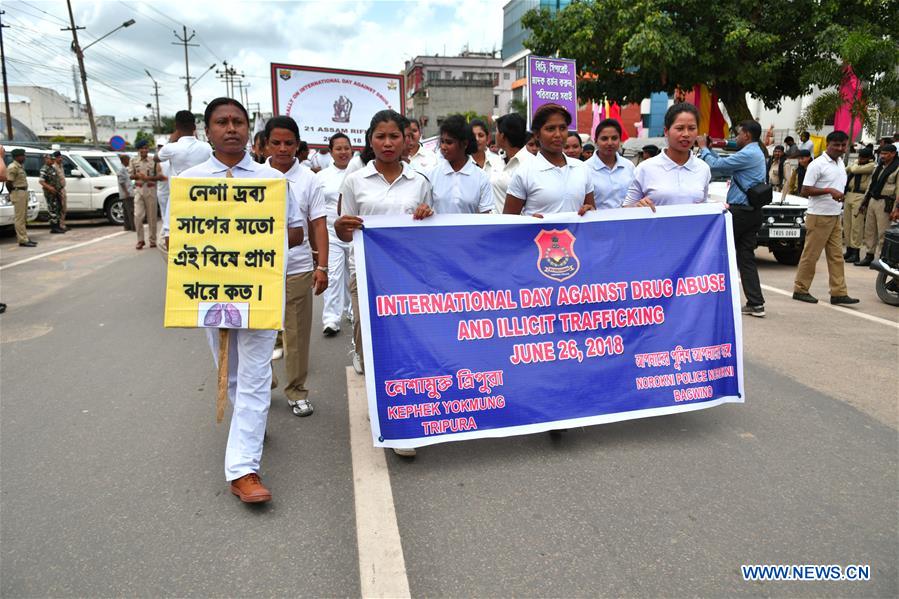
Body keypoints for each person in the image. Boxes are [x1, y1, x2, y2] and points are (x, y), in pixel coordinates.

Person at [180, 97, 304, 503]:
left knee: (253, 377)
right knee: (230, 374)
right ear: (208, 130)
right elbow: (175, 238)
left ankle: (243, 470)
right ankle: (250, 426)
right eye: (222, 122)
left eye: (238, 121)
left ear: (249, 129)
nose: (231, 128)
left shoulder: (272, 181)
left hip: (260, 292)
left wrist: (250, 248)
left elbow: (293, 234)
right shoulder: (190, 179)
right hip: (210, 295)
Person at [334, 109, 433, 458]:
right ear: (370, 140)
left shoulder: (420, 181)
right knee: (370, 341)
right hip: (366, 273)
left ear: (406, 139)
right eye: (381, 136)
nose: (388, 143)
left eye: (395, 136)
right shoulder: (354, 181)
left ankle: (401, 418)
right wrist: (344, 227)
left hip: (407, 276)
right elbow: (341, 229)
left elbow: (429, 227)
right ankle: (382, 401)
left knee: (407, 343)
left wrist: (425, 216)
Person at [264, 116, 329, 418]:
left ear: (298, 146)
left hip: (298, 267)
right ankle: (264, 381)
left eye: (289, 143)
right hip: (258, 270)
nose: (282, 148)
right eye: (276, 142)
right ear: (265, 144)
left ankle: (296, 390)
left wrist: (323, 267)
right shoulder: (253, 176)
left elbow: (318, 224)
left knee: (297, 334)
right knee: (257, 332)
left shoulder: (310, 179)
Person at [698, 119, 768, 317]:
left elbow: (717, 167)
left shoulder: (748, 153)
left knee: (716, 251)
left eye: (738, 134)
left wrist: (703, 148)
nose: (736, 138)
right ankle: (756, 303)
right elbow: (723, 163)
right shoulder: (756, 152)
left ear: (746, 135)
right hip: (752, 212)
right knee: (746, 258)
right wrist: (710, 149)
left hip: (740, 212)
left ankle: (708, 300)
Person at [792, 130, 859, 305]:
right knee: (811, 255)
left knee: (836, 256)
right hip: (819, 215)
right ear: (827, 145)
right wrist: (829, 190)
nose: (840, 148)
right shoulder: (818, 164)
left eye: (843, 145)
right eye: (836, 145)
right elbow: (805, 190)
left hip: (835, 215)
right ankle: (800, 289)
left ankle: (838, 293)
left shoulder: (839, 164)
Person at [503, 103, 595, 216]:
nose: (558, 134)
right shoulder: (524, 172)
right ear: (537, 135)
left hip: (576, 234)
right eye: (550, 129)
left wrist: (589, 211)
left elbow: (591, 210)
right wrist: (529, 223)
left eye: (562, 128)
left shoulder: (582, 168)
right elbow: (508, 221)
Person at [624, 103, 711, 209]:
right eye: (680, 128)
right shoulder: (645, 168)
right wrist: (638, 207)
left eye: (692, 128)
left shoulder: (703, 168)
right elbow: (627, 208)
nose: (686, 134)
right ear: (666, 131)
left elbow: (705, 209)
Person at [157, 110, 213, 245]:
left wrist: (171, 139)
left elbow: (156, 157)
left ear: (176, 126)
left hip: (179, 200)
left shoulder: (170, 148)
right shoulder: (206, 147)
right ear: (194, 127)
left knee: (169, 241)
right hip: (204, 200)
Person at [318, 133, 355, 337]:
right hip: (331, 233)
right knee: (333, 275)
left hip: (354, 233)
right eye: (338, 148)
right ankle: (331, 319)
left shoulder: (359, 172)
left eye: (346, 148)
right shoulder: (321, 177)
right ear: (331, 151)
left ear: (352, 150)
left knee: (353, 275)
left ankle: (351, 311)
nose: (343, 152)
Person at [429, 114, 493, 214]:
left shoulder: (481, 177)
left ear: (464, 144)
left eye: (449, 142)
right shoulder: (432, 175)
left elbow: (485, 217)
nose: (443, 147)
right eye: (442, 141)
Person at [856, 144, 898, 266]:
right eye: (881, 153)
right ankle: (869, 255)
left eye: (886, 154)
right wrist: (864, 201)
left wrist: (896, 209)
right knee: (869, 230)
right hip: (873, 200)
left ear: (893, 154)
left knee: (883, 232)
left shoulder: (897, 168)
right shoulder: (879, 167)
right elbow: (871, 185)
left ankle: (882, 258)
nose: (883, 156)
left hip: (886, 202)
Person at [585, 118, 635, 210]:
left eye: (614, 138)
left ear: (620, 140)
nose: (610, 143)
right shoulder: (585, 169)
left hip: (626, 221)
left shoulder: (629, 166)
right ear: (596, 141)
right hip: (599, 222)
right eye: (604, 139)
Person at [490, 112, 533, 214]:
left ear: (503, 136)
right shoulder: (496, 161)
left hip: (520, 227)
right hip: (495, 226)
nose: (494, 135)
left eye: (496, 131)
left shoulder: (531, 164)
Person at [842, 147, 876, 263]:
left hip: (860, 196)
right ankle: (849, 249)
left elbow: (854, 170)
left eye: (863, 157)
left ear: (869, 158)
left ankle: (855, 252)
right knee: (847, 224)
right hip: (849, 194)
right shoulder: (856, 164)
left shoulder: (872, 166)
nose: (860, 159)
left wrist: (854, 164)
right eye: (859, 157)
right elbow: (845, 169)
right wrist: (854, 164)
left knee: (857, 226)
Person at [129, 140, 162, 250]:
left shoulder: (154, 161)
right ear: (138, 150)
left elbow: (159, 175)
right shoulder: (133, 161)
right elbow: (130, 175)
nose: (144, 150)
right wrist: (136, 175)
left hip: (150, 189)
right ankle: (140, 240)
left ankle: (152, 240)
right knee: (138, 215)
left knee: (152, 216)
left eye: (146, 148)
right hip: (139, 190)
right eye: (142, 148)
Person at [5, 148, 37, 247]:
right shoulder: (13, 167)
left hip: (23, 192)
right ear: (17, 157)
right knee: (19, 218)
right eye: (23, 155)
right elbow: (8, 183)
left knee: (23, 217)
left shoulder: (19, 167)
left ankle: (24, 237)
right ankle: (22, 240)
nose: (24, 157)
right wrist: (13, 193)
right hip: (18, 192)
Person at [39, 154, 65, 234]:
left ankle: (57, 226)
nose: (53, 161)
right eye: (51, 159)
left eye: (53, 160)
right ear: (46, 159)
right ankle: (54, 227)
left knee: (58, 208)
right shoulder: (44, 169)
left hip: (56, 192)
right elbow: (41, 181)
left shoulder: (52, 168)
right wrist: (50, 188)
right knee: (52, 209)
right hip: (50, 193)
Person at [117, 154, 135, 231]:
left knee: (126, 211)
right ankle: (133, 227)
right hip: (127, 193)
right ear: (124, 161)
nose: (129, 162)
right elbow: (121, 182)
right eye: (128, 160)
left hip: (127, 192)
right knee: (131, 211)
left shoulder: (124, 169)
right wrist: (126, 192)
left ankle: (127, 226)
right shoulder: (122, 169)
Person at [52, 151, 68, 231]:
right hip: (58, 190)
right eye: (59, 157)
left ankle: (62, 224)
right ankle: (59, 226)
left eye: (61, 157)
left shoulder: (61, 166)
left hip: (62, 189)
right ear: (55, 158)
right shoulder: (54, 167)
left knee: (64, 208)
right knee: (59, 208)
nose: (60, 159)